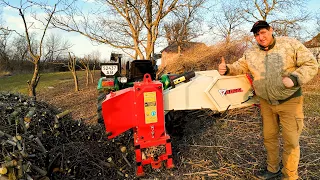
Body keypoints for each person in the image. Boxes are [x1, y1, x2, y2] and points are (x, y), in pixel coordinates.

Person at [218, 20, 318, 180]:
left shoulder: (290, 44)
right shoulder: (251, 53)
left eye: (263, 32)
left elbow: (311, 64)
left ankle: (290, 176)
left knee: (291, 142)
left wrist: (295, 77)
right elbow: (240, 66)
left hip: (289, 101)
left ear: (271, 30)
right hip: (266, 103)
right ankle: (273, 170)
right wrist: (227, 69)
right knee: (269, 138)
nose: (260, 37)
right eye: (257, 34)